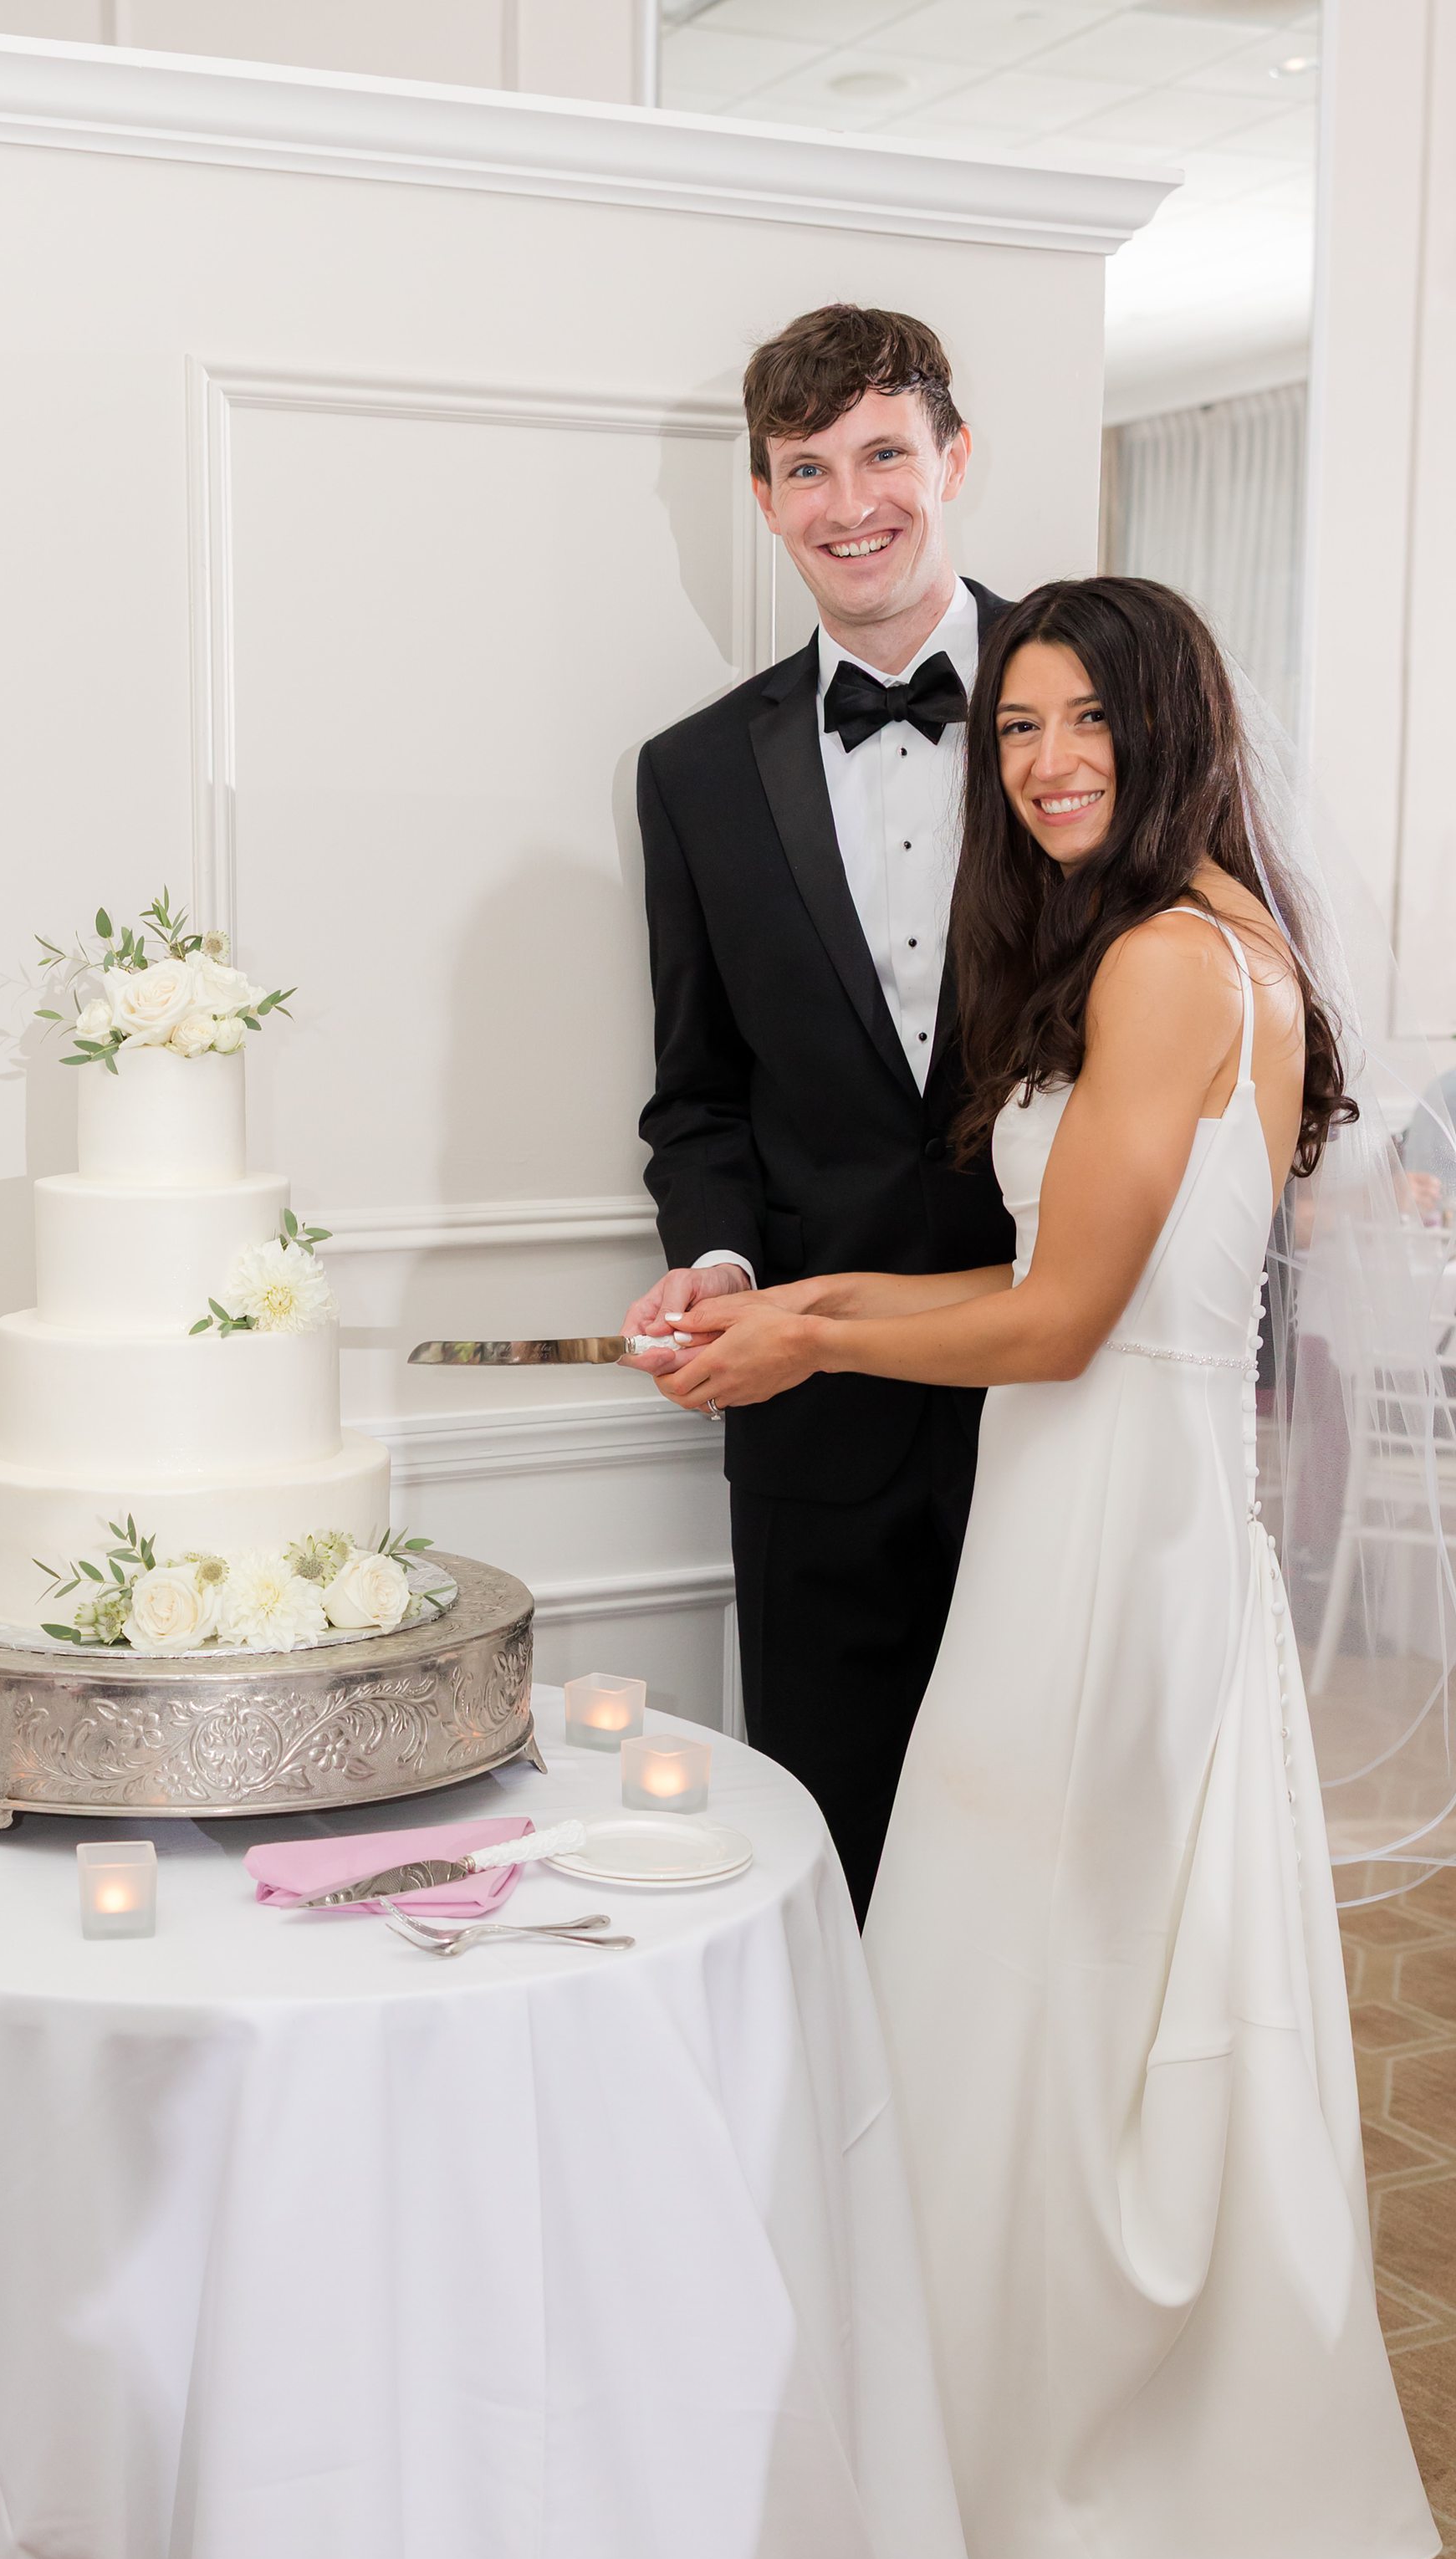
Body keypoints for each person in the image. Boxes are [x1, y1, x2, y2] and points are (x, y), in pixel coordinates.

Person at [649, 576, 1438, 2559]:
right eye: (1017, 728)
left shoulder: (1175, 967)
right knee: (1082, 1987)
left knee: (1052, 1972)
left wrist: (811, 1347)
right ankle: (1097, 2411)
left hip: (1108, 1529)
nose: (1047, 759)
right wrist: (789, 1301)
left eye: (1088, 719)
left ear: (1176, 724)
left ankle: (1054, 2451)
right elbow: (1047, 1302)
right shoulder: (1199, 941)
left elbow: (1062, 1318)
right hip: (1114, 1503)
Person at [626, 303, 1014, 1921]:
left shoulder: (1100, 709)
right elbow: (698, 1096)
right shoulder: (694, 770)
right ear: (766, 497)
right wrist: (714, 1266)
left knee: (1047, 1844)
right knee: (832, 1852)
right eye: (806, 468)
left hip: (1056, 1378)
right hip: (812, 1423)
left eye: (882, 454)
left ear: (953, 460)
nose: (852, 502)